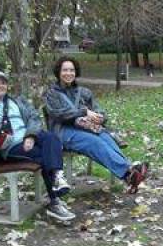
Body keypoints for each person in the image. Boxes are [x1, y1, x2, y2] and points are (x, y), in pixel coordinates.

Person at [0, 71, 75, 221]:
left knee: (51, 138)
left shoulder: (17, 101)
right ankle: (55, 201)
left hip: (29, 138)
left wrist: (30, 135)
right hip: (9, 147)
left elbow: (34, 117)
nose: (1, 85)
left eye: (3, 82)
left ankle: (57, 177)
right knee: (43, 157)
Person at [43, 57, 148, 193]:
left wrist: (100, 118)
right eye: (65, 70)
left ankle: (130, 172)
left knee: (104, 137)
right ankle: (128, 174)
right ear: (58, 72)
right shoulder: (52, 94)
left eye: (71, 70)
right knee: (93, 141)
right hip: (63, 131)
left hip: (86, 128)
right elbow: (59, 114)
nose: (68, 73)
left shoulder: (84, 92)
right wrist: (84, 112)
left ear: (76, 72)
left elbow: (99, 110)